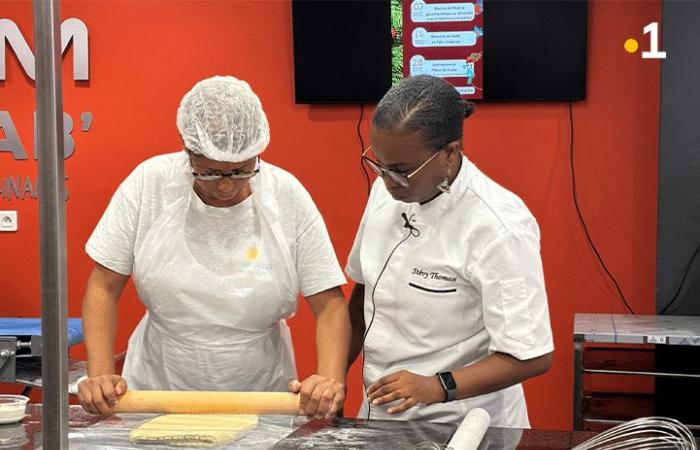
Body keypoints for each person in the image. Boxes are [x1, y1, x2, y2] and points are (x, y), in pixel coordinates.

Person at [78, 76, 350, 419]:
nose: (225, 187)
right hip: (159, 391)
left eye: (240, 171)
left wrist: (328, 381)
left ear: (258, 152)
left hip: (259, 396)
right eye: (207, 172)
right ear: (187, 150)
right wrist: (101, 375)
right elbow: (102, 287)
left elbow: (330, 306)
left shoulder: (287, 196)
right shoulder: (149, 184)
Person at [346, 75, 553, 427]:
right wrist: (333, 376)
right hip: (384, 415)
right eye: (379, 165)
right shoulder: (388, 193)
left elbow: (531, 356)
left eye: (400, 171)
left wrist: (436, 386)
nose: (386, 181)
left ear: (449, 153)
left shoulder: (497, 225)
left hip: (464, 420)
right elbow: (362, 294)